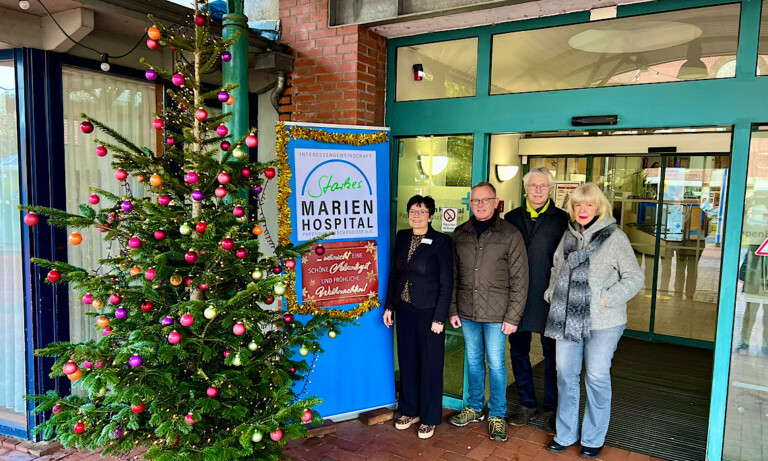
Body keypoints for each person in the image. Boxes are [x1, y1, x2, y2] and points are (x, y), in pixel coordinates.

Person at [544, 183, 644, 459]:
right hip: (568, 318)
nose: (583, 210)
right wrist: (552, 293)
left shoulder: (615, 238)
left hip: (604, 322)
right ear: (572, 208)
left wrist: (606, 299)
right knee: (565, 375)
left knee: (597, 377)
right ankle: (565, 433)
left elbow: (635, 278)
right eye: (578, 205)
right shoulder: (568, 237)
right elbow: (556, 268)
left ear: (599, 207)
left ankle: (593, 437)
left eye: (589, 204)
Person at [448, 182, 529, 442]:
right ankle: (474, 407)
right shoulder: (460, 233)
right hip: (467, 310)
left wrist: (513, 317)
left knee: (495, 364)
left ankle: (497, 413)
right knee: (473, 360)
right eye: (475, 201)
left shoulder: (510, 234)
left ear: (496, 202)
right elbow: (453, 275)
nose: (480, 205)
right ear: (469, 204)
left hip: (498, 315)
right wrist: (452, 309)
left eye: (486, 200)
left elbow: (520, 279)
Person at [504, 168, 569, 435]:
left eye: (543, 186)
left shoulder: (563, 219)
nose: (538, 190)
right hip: (516, 298)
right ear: (525, 188)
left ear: (551, 189)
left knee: (553, 356)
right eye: (533, 186)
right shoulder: (511, 218)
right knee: (518, 353)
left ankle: (552, 409)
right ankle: (527, 404)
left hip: (549, 298)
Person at [383, 195, 454, 440]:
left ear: (431, 216)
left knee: (431, 364)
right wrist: (390, 306)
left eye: (422, 212)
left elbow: (447, 282)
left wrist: (440, 317)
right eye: (413, 211)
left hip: (429, 313)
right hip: (404, 309)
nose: (416, 215)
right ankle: (409, 410)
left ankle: (429, 417)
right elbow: (395, 274)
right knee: (408, 361)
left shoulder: (442, 241)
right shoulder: (402, 237)